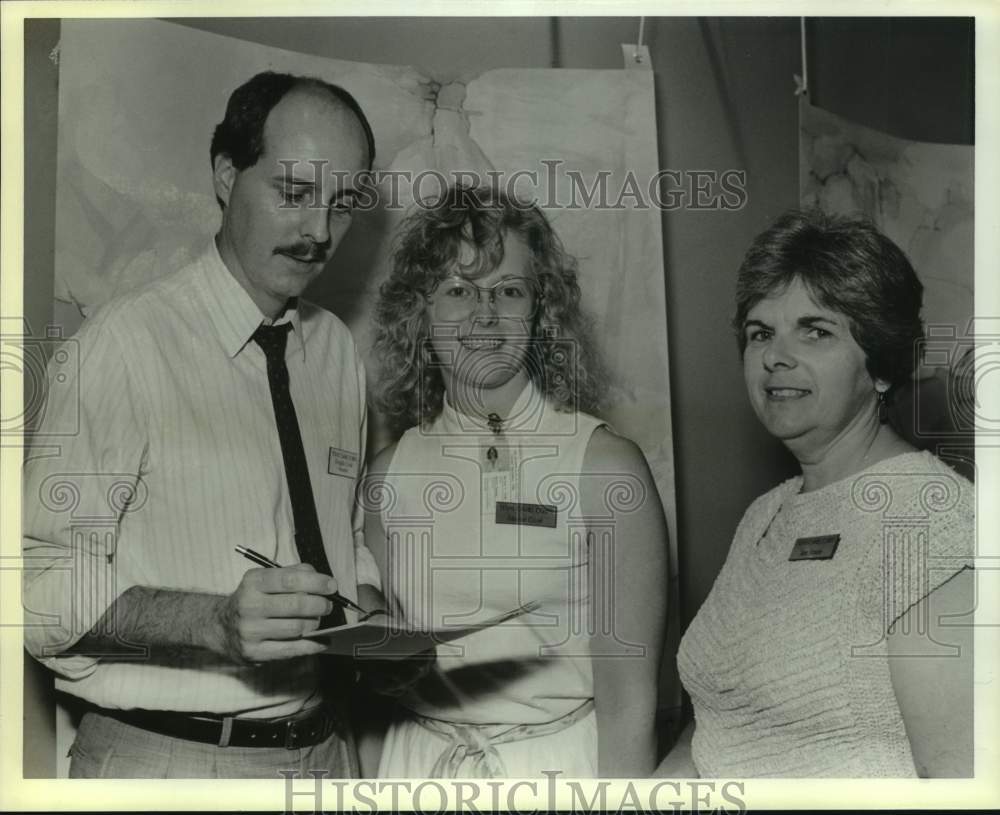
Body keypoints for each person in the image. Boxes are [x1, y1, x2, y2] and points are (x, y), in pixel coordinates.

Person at [22, 71, 386, 778]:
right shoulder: (124, 347)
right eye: (295, 193)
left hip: (325, 754)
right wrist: (212, 623)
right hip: (170, 762)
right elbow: (32, 587)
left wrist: (372, 613)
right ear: (225, 175)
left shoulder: (338, 352)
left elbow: (342, 538)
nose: (319, 233)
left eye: (342, 205)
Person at [361, 185, 669, 778]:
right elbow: (374, 693)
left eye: (508, 291)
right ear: (420, 314)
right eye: (457, 290)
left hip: (554, 770)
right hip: (417, 765)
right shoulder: (388, 474)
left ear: (540, 310)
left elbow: (630, 709)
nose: (484, 314)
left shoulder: (604, 467)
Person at [657, 210, 974, 778]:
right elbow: (718, 721)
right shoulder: (766, 515)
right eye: (761, 333)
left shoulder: (940, 527)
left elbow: (957, 781)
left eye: (816, 330)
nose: (776, 355)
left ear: (881, 365)